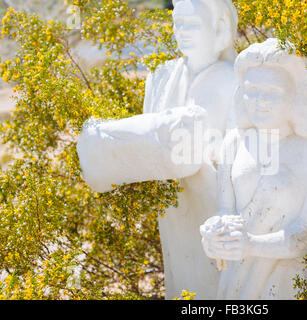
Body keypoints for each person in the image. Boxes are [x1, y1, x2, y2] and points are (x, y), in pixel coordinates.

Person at [77, 0, 238, 299]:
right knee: (182, 279)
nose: (183, 32)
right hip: (174, 207)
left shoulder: (235, 80)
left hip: (219, 206)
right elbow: (152, 141)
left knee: (219, 285)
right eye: (179, 23)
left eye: (193, 24)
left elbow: (247, 153)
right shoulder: (162, 77)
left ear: (218, 27)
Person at [200, 39, 307, 299]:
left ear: (295, 95)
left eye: (272, 91)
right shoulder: (234, 142)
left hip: (288, 282)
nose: (259, 100)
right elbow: (226, 210)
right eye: (251, 89)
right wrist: (213, 234)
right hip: (235, 281)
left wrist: (251, 245)